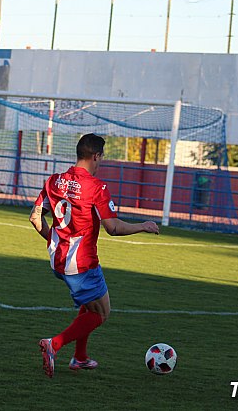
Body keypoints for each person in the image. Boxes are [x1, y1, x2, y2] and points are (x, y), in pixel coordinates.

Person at [29, 133, 160, 378]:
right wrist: (143, 225)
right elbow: (113, 227)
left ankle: (79, 358)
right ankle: (53, 344)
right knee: (101, 313)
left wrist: (53, 240)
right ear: (96, 156)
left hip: (58, 260)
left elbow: (35, 218)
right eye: (101, 158)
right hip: (82, 264)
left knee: (91, 306)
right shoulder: (96, 187)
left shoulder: (54, 181)